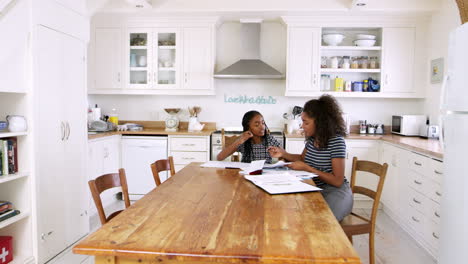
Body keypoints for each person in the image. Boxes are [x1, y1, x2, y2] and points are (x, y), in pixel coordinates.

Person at [268, 95, 352, 221]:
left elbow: (337, 181)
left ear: (320, 122)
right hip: (314, 188)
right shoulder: (313, 139)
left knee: (322, 222)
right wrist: (283, 153)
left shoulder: (336, 141)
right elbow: (303, 159)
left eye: (306, 122)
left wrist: (308, 169)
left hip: (335, 192)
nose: (302, 126)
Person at [217, 110, 281, 164]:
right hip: (246, 174)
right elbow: (220, 157)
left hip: (265, 175)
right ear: (248, 127)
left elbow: (283, 156)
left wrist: (281, 162)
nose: (262, 127)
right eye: (257, 125)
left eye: (263, 123)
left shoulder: (270, 139)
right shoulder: (243, 141)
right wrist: (239, 141)